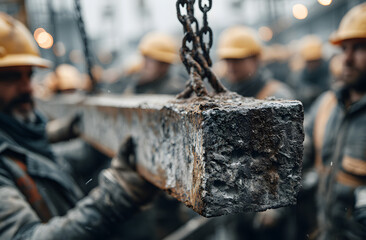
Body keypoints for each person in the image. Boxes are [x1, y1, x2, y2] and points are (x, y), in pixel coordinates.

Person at [0, 12, 156, 240]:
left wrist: (103, 135)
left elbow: (54, 171)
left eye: (29, 75)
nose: (28, 88)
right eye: (11, 77)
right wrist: (113, 199)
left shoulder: (20, 138)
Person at [303, 3, 366, 239]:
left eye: (359, 48)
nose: (347, 59)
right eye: (344, 48)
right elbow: (301, 149)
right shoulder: (326, 104)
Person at [216, 26, 294, 100]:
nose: (231, 66)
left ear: (255, 58)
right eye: (227, 60)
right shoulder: (221, 95)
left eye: (237, 60)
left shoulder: (277, 96)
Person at [104, 31, 187, 95]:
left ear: (164, 64)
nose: (145, 64)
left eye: (150, 59)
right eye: (145, 58)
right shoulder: (138, 81)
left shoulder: (173, 89)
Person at [290, 35, 331, 112]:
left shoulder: (328, 73)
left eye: (315, 61)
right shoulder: (299, 76)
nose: (312, 64)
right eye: (309, 61)